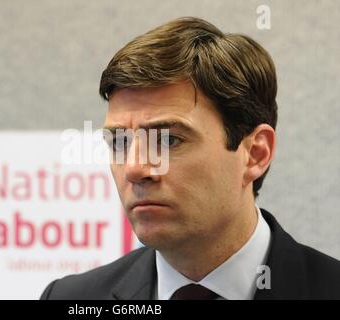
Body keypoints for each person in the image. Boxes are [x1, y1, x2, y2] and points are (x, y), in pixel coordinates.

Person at [40, 17, 340, 300]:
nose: (134, 168)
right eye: (119, 142)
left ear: (254, 154)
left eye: (168, 140)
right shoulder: (72, 298)